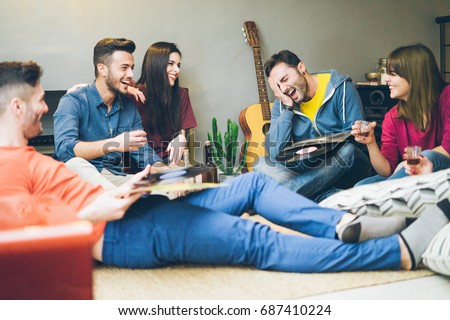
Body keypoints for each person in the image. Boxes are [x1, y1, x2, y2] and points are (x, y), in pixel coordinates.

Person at [2, 61, 450, 273]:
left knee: (254, 184)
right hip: (123, 232)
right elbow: (24, 245)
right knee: (255, 240)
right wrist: (101, 207)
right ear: (16, 105)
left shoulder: (26, 156)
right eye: (41, 98)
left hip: (133, 205)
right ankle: (399, 252)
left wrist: (149, 179)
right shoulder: (8, 167)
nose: (47, 105)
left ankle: (340, 224)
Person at [253, 50, 371, 202]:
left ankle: (283, 198)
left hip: (343, 167)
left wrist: (326, 149)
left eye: (285, 79)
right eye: (278, 86)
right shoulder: (282, 105)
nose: (283, 89)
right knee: (262, 163)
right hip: (310, 170)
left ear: (301, 67)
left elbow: (357, 140)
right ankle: (324, 195)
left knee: (348, 150)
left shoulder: (341, 88)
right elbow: (274, 152)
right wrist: (288, 109)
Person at [53, 38, 166, 188]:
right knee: (75, 163)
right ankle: (118, 200)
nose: (131, 74)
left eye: (132, 68)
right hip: (76, 178)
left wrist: (167, 171)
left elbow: (143, 151)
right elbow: (64, 150)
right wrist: (113, 144)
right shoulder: (74, 101)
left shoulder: (129, 107)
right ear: (102, 69)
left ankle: (120, 200)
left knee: (165, 188)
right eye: (124, 68)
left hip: (113, 177)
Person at [353, 44, 450, 186]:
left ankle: (381, 197)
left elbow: (447, 149)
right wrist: (371, 142)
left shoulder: (446, 96)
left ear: (415, 75)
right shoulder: (392, 117)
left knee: (427, 156)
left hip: (442, 172)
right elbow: (387, 171)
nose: (386, 79)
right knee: (360, 187)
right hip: (410, 174)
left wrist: (409, 162)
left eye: (393, 74)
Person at [134, 42, 197, 166]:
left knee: (200, 177)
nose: (177, 70)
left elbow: (181, 132)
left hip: (170, 159)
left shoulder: (181, 94)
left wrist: (181, 138)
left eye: (178, 65)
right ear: (155, 65)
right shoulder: (135, 94)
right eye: (170, 64)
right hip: (140, 162)